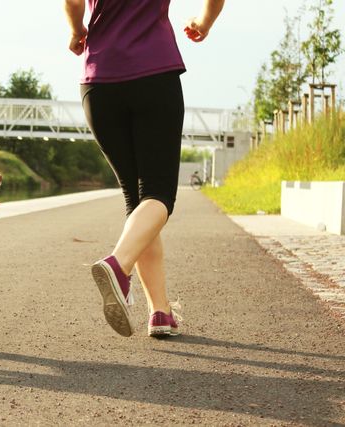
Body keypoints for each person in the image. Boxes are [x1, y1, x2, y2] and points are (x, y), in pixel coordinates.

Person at [63, 0, 225, 337]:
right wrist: (204, 21)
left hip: (98, 82)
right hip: (154, 73)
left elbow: (74, 2)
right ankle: (117, 266)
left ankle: (160, 311)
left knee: (137, 200)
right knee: (158, 193)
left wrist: (77, 29)